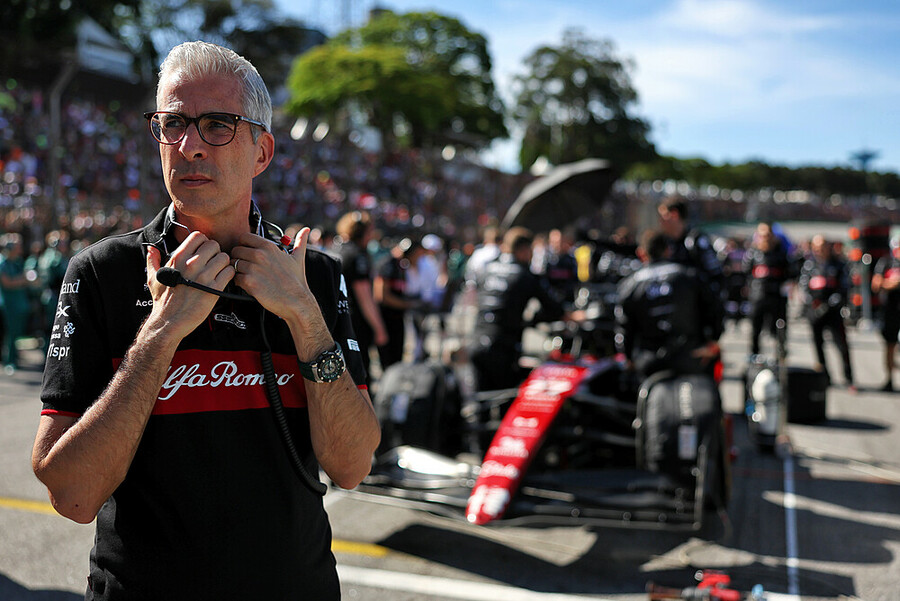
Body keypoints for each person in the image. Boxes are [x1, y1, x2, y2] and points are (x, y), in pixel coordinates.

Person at [31, 42, 380, 601]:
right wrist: (161, 332)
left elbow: (352, 465)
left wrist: (304, 316)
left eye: (218, 125)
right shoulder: (102, 272)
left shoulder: (312, 274)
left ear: (262, 151)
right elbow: (71, 495)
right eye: (173, 124)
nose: (189, 145)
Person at [468, 227, 583, 392]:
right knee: (503, 398)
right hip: (503, 347)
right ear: (524, 250)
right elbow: (553, 309)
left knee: (480, 398)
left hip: (476, 342)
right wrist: (568, 316)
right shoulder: (525, 276)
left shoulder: (487, 269)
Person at [616, 230, 724, 381]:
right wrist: (712, 340)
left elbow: (623, 327)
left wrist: (628, 358)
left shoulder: (630, 285)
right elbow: (715, 308)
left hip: (649, 363)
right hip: (691, 358)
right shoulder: (690, 276)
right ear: (668, 250)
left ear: (641, 253)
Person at [657, 196, 725, 331]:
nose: (660, 221)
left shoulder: (696, 242)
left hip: (695, 318)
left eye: (663, 216)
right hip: (671, 317)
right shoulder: (664, 243)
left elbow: (716, 279)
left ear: (674, 215)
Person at [336, 210, 388, 382]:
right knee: (360, 376)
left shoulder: (335, 249)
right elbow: (365, 297)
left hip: (336, 321)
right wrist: (379, 328)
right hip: (355, 324)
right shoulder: (357, 256)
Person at [798, 235, 855, 391]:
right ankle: (824, 376)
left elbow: (844, 288)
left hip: (833, 312)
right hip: (814, 312)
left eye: (822, 247)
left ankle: (848, 377)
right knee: (817, 344)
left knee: (841, 345)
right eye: (816, 248)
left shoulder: (839, 265)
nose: (819, 250)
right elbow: (804, 287)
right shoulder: (809, 266)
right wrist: (812, 304)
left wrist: (828, 305)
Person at [742, 222, 794, 357]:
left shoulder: (781, 253)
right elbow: (746, 272)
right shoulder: (753, 253)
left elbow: (790, 274)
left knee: (779, 327)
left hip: (776, 297)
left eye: (768, 235)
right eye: (762, 235)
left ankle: (780, 354)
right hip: (758, 296)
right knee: (755, 328)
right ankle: (755, 356)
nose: (765, 238)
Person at [374, 237, 424, 369]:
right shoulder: (387, 264)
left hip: (398, 317)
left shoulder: (401, 266)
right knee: (388, 359)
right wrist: (407, 304)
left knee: (398, 356)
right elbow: (381, 296)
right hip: (386, 318)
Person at [0, 233, 33, 371]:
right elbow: (7, 283)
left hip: (20, 304)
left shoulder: (18, 261)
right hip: (8, 305)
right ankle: (9, 360)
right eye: (17, 246)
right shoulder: (2, 263)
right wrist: (24, 280)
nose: (20, 248)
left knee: (17, 333)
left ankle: (14, 357)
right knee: (10, 333)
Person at [872, 238, 900, 392]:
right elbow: (876, 284)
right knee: (889, 345)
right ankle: (889, 379)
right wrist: (891, 284)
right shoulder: (886, 262)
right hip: (891, 310)